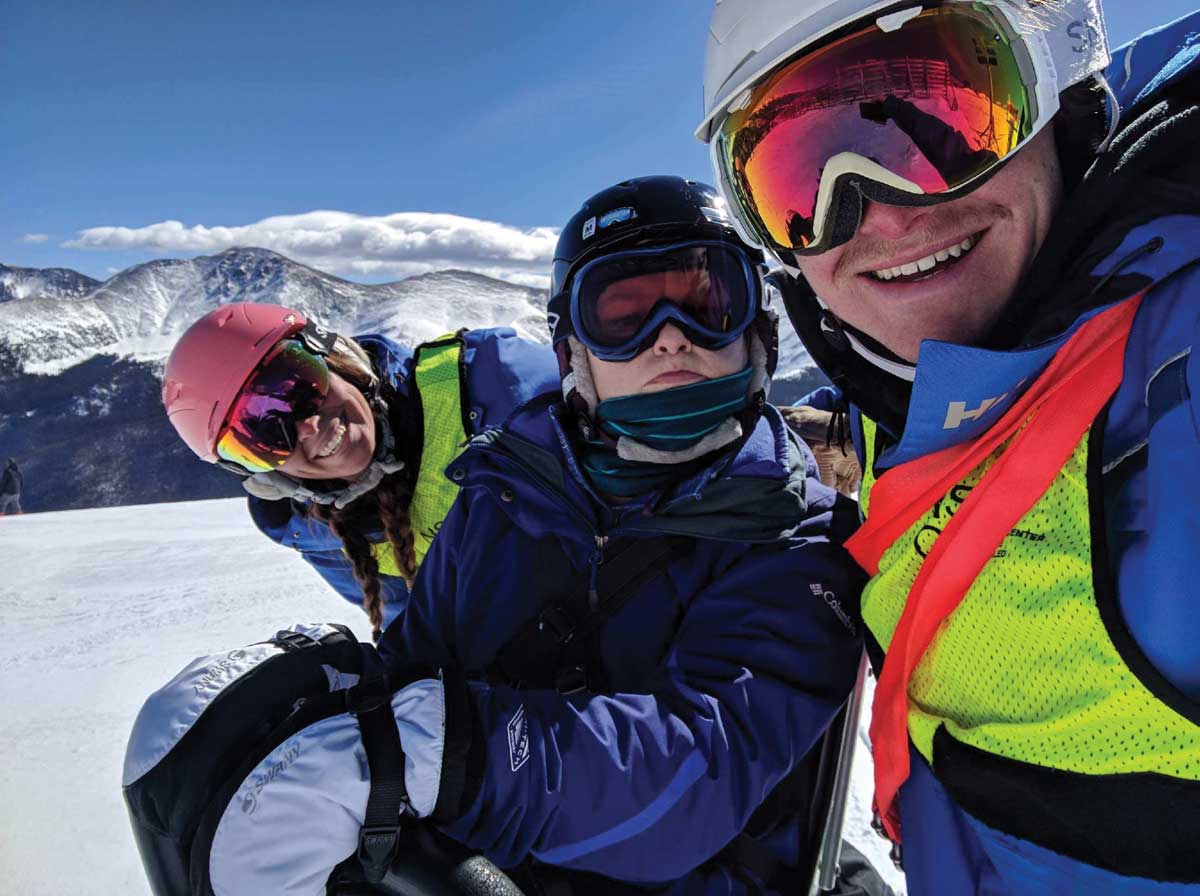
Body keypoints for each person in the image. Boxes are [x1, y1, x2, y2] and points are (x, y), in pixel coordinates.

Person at [127, 177, 886, 895]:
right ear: (573, 354)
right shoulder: (501, 500)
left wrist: (445, 756)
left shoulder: (800, 541)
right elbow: (418, 661)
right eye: (622, 316)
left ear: (755, 331)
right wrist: (324, 716)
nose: (669, 340)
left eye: (705, 302)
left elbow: (699, 766)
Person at [697, 2, 1200, 894]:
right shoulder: (910, 389)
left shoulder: (1174, 385)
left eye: (947, 123)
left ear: (1061, 100)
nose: (880, 220)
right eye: (801, 183)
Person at [163, 304, 559, 637]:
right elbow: (421, 634)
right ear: (263, 473)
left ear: (334, 358)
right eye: (264, 439)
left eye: (299, 386)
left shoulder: (495, 381)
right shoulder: (323, 530)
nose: (308, 426)